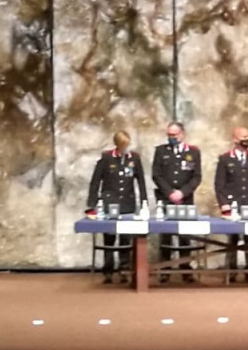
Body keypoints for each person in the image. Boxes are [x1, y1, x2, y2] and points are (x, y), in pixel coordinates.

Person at [86, 130, 147, 284]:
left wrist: (144, 201)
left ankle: (124, 268)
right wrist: (91, 204)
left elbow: (140, 181)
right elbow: (95, 181)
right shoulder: (107, 158)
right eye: (122, 145)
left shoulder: (134, 158)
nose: (125, 148)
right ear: (117, 145)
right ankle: (108, 270)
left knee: (125, 239)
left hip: (128, 203)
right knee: (109, 237)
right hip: (110, 203)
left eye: (127, 145)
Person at [152, 120, 202, 282]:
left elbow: (196, 177)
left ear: (182, 134)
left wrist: (182, 192)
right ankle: (165, 269)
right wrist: (170, 193)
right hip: (166, 199)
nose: (171, 138)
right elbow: (156, 174)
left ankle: (185, 268)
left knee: (184, 236)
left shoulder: (193, 152)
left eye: (174, 135)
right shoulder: (161, 151)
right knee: (166, 234)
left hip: (185, 199)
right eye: (169, 135)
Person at [214, 126, 248, 282]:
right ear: (235, 139)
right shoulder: (225, 159)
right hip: (233, 207)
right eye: (243, 137)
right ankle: (232, 270)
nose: (246, 140)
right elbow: (219, 184)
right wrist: (224, 204)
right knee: (233, 239)